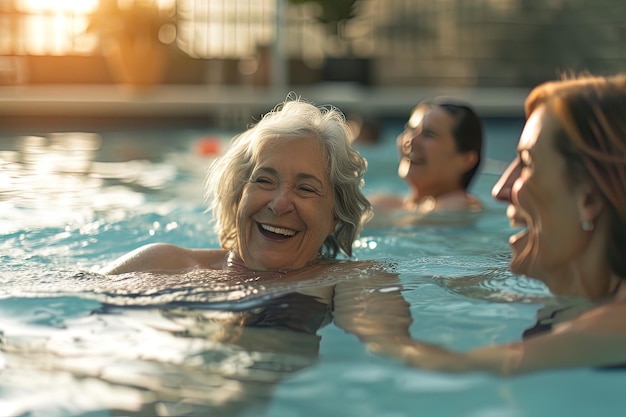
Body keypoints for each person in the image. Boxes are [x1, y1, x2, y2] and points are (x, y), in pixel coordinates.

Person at [367, 73, 626, 375]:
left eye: (527, 163)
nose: (500, 189)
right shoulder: (588, 300)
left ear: (590, 200)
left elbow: (455, 368)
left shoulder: (610, 328)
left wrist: (364, 303)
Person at [368, 97, 484, 226]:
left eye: (429, 134)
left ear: (465, 160)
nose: (411, 141)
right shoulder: (391, 203)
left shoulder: (458, 206)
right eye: (410, 129)